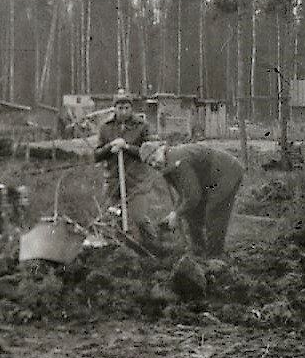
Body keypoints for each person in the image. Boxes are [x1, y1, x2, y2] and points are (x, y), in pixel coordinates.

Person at [139, 141, 244, 257]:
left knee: (214, 215)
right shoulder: (167, 165)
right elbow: (185, 194)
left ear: (160, 149)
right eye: (150, 164)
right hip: (208, 178)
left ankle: (215, 259)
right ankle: (198, 252)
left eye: (154, 158)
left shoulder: (178, 161)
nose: (154, 164)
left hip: (226, 172)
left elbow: (193, 196)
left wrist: (177, 214)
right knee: (191, 213)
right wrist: (174, 212)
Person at [93, 90, 156, 245]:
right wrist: (109, 148)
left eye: (127, 108)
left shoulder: (142, 126)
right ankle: (121, 252)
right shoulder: (105, 127)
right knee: (115, 219)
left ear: (131, 108)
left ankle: (154, 248)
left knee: (139, 218)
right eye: (120, 108)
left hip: (136, 182)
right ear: (114, 108)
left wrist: (126, 147)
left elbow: (149, 152)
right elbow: (97, 155)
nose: (123, 111)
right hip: (113, 181)